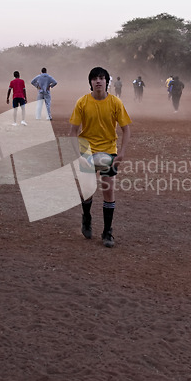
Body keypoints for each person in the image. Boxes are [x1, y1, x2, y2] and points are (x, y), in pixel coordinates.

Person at [69, 67, 131, 248]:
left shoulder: (115, 102)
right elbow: (73, 131)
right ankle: (86, 217)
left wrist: (122, 152)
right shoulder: (82, 102)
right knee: (87, 190)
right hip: (86, 151)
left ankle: (107, 232)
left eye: (102, 78)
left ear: (106, 82)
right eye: (95, 78)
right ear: (90, 82)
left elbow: (126, 129)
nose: (98, 81)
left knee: (108, 190)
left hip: (109, 151)